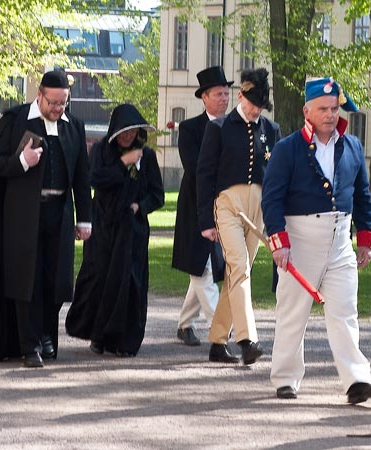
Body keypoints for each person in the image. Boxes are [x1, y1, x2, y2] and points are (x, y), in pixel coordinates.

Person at [262, 77, 371, 404]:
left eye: (334, 109)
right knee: (293, 313)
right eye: (323, 109)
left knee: (345, 311)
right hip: (299, 240)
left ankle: (357, 381)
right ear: (307, 111)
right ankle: (286, 378)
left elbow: (362, 195)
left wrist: (365, 238)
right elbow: (272, 199)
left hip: (340, 241)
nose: (330, 115)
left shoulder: (353, 146)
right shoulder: (287, 148)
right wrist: (279, 242)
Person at [0, 70, 93, 368]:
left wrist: (85, 219)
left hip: (59, 214)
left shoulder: (74, 126)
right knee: (27, 281)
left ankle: (47, 333)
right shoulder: (15, 121)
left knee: (57, 281)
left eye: (63, 103)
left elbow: (81, 175)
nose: (58, 108)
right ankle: (30, 345)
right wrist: (22, 161)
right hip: (23, 215)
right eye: (53, 103)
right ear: (39, 96)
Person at [65, 104, 164, 357]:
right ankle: (98, 335)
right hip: (103, 225)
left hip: (132, 229)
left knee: (129, 282)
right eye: (123, 132)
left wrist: (140, 207)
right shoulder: (101, 151)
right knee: (99, 278)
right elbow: (95, 179)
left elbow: (157, 195)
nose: (128, 136)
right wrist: (123, 163)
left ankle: (124, 341)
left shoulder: (147, 156)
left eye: (132, 131)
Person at [196, 67, 280, 365]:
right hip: (228, 205)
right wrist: (206, 220)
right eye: (253, 103)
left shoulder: (271, 130)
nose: (257, 110)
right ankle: (247, 339)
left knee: (236, 273)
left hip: (258, 208)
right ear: (241, 96)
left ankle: (218, 342)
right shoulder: (219, 127)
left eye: (261, 105)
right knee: (240, 267)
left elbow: (276, 175)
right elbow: (204, 174)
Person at [171, 66, 231, 346]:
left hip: (226, 205)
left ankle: (185, 324)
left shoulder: (234, 127)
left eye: (226, 93)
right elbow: (194, 168)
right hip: (195, 205)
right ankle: (223, 329)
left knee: (204, 266)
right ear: (204, 97)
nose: (224, 98)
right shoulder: (189, 128)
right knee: (202, 267)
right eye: (218, 94)